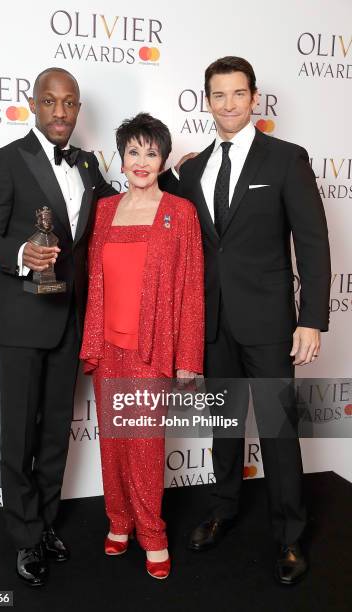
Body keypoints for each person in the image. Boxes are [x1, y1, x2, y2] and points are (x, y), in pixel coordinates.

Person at [159, 56, 331, 584]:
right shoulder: (192, 169)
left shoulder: (286, 159)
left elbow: (313, 241)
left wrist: (312, 319)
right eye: (218, 95)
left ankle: (290, 534)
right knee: (224, 427)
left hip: (270, 321)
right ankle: (222, 510)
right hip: (212, 322)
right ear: (205, 101)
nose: (228, 104)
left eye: (238, 94)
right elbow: (156, 205)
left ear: (254, 98)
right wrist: (166, 170)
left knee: (278, 430)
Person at [0, 67, 116, 587]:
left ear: (78, 109)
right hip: (21, 321)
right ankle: (25, 535)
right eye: (51, 101)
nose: (61, 111)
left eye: (70, 102)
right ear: (33, 104)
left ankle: (47, 523)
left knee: (56, 433)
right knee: (19, 435)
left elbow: (119, 208)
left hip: (70, 320)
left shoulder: (87, 165)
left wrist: (169, 176)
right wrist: (19, 253)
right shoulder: (3, 162)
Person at [80, 113, 204, 579]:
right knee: (113, 441)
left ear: (163, 159)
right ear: (121, 156)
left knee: (146, 444)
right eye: (133, 151)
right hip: (109, 344)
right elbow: (94, 279)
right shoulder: (105, 210)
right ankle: (119, 521)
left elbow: (192, 288)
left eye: (151, 152)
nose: (141, 161)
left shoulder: (181, 212)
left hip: (152, 349)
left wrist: (188, 357)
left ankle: (153, 534)